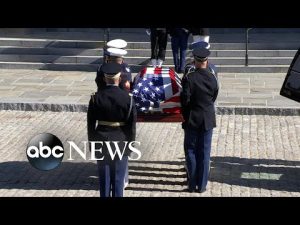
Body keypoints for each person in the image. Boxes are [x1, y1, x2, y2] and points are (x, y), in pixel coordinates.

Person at [87, 62, 137, 197]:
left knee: (104, 180)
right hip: (121, 141)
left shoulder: (95, 98)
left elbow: (90, 125)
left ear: (104, 79)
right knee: (119, 179)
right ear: (120, 78)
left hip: (101, 140)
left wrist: (92, 145)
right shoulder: (128, 99)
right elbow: (131, 126)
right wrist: (130, 145)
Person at [180, 46, 219, 193]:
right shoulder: (213, 76)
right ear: (207, 61)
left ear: (195, 61)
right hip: (207, 117)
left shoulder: (189, 78)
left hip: (192, 118)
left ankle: (192, 184)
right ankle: (202, 185)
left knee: (190, 151)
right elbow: (214, 95)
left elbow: (185, 100)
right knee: (204, 152)